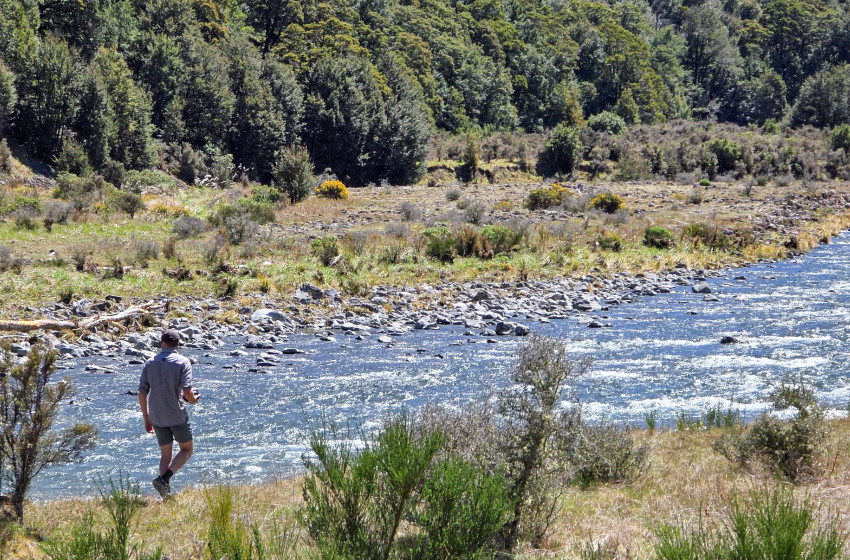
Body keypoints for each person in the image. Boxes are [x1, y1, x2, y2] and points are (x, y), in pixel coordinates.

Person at [138, 329, 201, 498]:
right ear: (177, 344)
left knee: (165, 454)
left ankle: (165, 495)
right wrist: (194, 400)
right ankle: (164, 478)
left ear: (163, 343)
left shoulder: (150, 363)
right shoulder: (183, 362)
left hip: (156, 416)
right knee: (187, 449)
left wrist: (147, 417)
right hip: (176, 414)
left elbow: (142, 393)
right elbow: (187, 391)